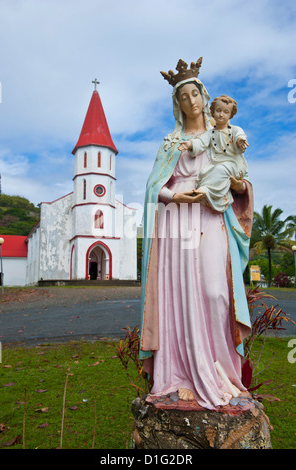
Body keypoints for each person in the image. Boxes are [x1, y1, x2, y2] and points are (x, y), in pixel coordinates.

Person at [139, 59, 254, 409]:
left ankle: (219, 369)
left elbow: (242, 179)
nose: (191, 102)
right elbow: (153, 186)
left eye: (195, 94)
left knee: (216, 291)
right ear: (178, 103)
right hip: (177, 218)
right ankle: (180, 374)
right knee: (178, 294)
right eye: (183, 96)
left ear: (204, 96)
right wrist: (175, 194)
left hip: (211, 214)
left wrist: (237, 184)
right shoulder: (172, 142)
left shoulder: (224, 135)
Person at [178, 95, 249, 212]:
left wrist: (240, 140)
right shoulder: (210, 134)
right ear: (213, 112)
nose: (221, 114)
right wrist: (190, 144)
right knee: (204, 173)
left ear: (230, 115)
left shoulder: (235, 130)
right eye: (218, 111)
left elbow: (239, 136)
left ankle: (206, 190)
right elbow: (201, 142)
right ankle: (206, 194)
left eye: (226, 112)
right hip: (216, 163)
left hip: (234, 164)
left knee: (222, 170)